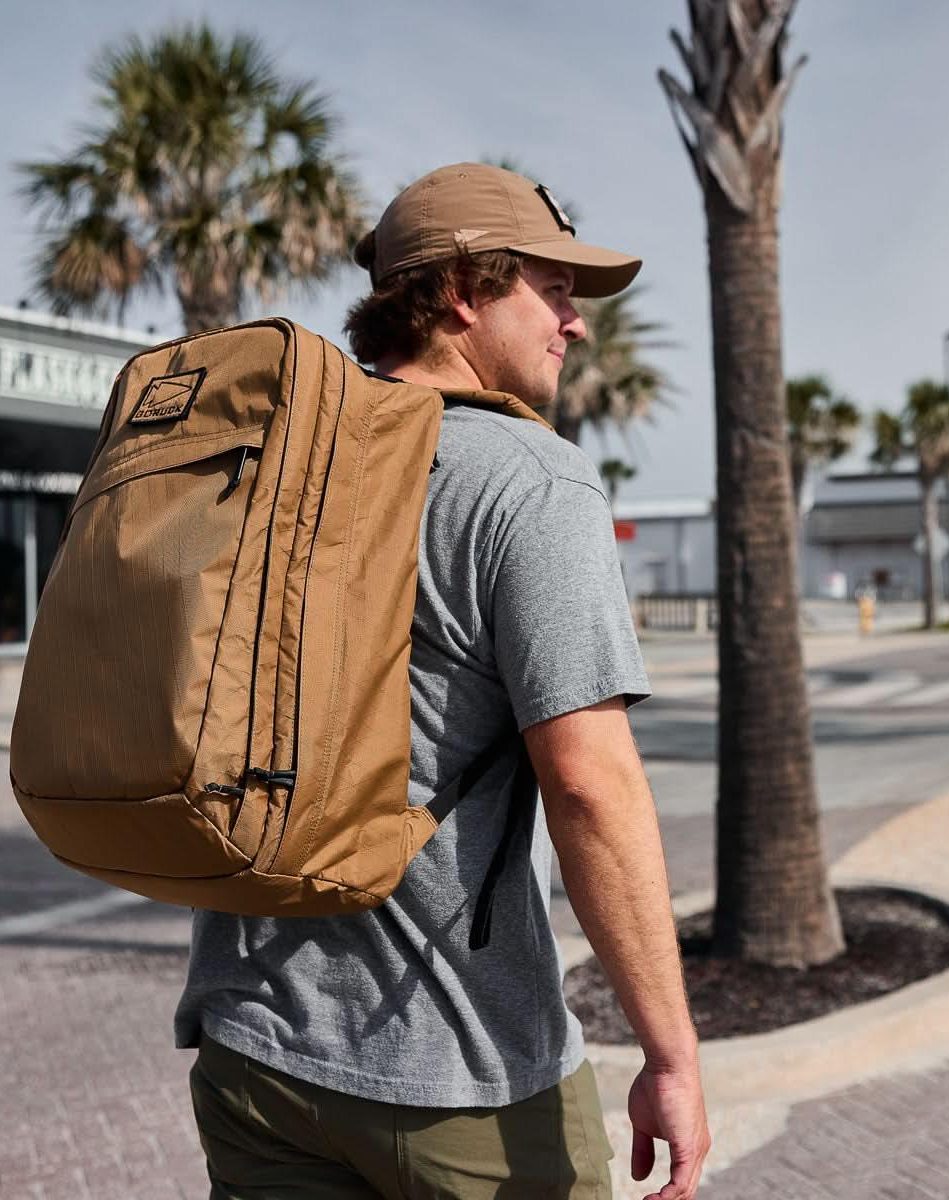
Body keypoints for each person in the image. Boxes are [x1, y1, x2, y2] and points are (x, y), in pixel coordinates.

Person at [175, 162, 710, 1199]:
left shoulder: (269, 463)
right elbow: (591, 788)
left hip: (251, 1051)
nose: (577, 323)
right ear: (463, 292)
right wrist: (673, 1054)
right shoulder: (526, 481)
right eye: (553, 289)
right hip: (457, 1073)